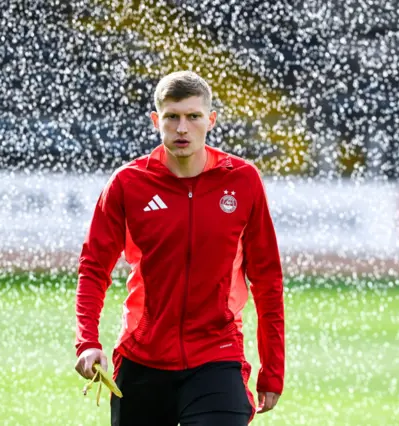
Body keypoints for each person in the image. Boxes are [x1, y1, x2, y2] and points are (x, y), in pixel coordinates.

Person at [74, 71, 285, 426]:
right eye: (172, 117)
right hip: (142, 357)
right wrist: (87, 342)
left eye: (193, 116)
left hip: (217, 355)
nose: (182, 128)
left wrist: (273, 367)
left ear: (211, 121)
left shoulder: (243, 180)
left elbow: (267, 279)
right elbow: (94, 268)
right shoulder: (128, 183)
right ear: (157, 120)